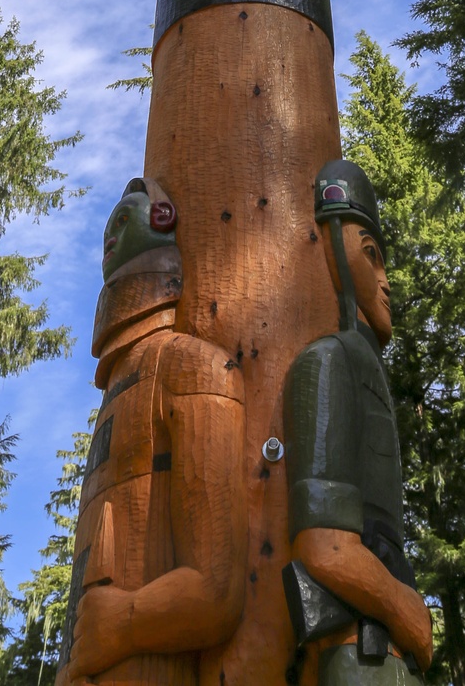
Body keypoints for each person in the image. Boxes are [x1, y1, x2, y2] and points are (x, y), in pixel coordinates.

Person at [57, 179, 247, 685]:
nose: (111, 242)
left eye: (124, 223)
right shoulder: (118, 389)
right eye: (107, 230)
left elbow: (217, 587)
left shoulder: (193, 368)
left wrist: (125, 621)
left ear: (163, 219)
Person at [283, 162, 433, 685]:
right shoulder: (328, 361)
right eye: (372, 257)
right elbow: (324, 545)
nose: (387, 284)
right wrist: (403, 607)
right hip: (359, 649)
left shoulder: (363, 366)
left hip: (388, 647)